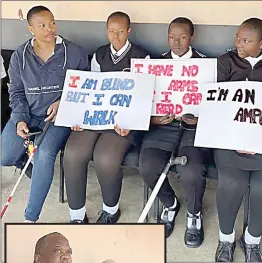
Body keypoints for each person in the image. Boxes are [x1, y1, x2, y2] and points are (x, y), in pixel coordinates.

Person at [1, 5, 89, 222]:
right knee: (5, 156)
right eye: (42, 25)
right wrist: (20, 118)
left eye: (52, 23)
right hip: (28, 113)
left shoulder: (73, 52)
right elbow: (16, 91)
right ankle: (25, 161)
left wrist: (63, 101)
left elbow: (85, 86)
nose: (50, 28)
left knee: (44, 155)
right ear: (31, 29)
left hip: (58, 117)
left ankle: (30, 218)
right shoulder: (20, 56)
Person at [214, 18, 262, 262]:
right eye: (237, 37)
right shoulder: (226, 61)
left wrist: (258, 137)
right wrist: (238, 138)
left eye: (246, 40)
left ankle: (251, 240)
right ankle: (225, 239)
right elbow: (216, 104)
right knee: (230, 182)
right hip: (231, 136)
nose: (239, 43)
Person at [64, 11, 150, 224]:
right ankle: (77, 215)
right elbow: (91, 90)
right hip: (97, 116)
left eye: (121, 31)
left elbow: (143, 96)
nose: (116, 36)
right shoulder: (100, 54)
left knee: (105, 157)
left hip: (124, 121)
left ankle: (110, 210)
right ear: (106, 31)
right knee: (73, 153)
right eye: (111, 31)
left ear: (129, 31)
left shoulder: (142, 56)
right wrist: (79, 115)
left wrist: (130, 123)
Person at [138, 17, 211, 247]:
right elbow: (142, 102)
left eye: (181, 37)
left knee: (192, 169)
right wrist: (154, 118)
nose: (176, 42)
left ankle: (194, 213)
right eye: (171, 37)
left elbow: (216, 104)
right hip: (163, 125)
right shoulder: (157, 64)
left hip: (192, 127)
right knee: (147, 166)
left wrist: (199, 118)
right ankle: (170, 204)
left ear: (191, 37)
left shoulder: (206, 65)